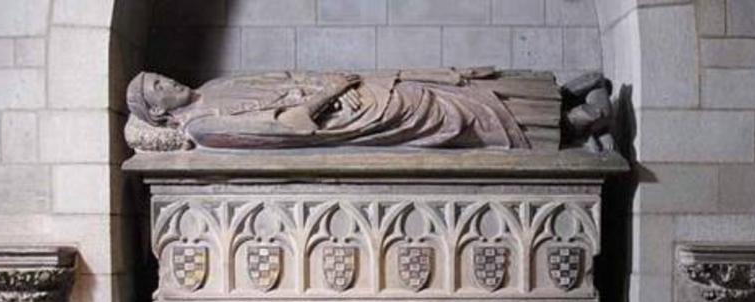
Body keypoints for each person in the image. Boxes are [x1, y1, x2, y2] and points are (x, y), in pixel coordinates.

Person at [125, 67, 561, 150]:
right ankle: (551, 131)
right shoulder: (204, 129)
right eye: (157, 86)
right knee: (434, 109)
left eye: (160, 75)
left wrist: (332, 84)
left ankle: (549, 104)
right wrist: (333, 93)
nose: (168, 81)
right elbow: (289, 127)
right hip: (345, 121)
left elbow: (288, 81)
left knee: (435, 79)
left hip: (344, 94)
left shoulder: (216, 85)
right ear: (159, 112)